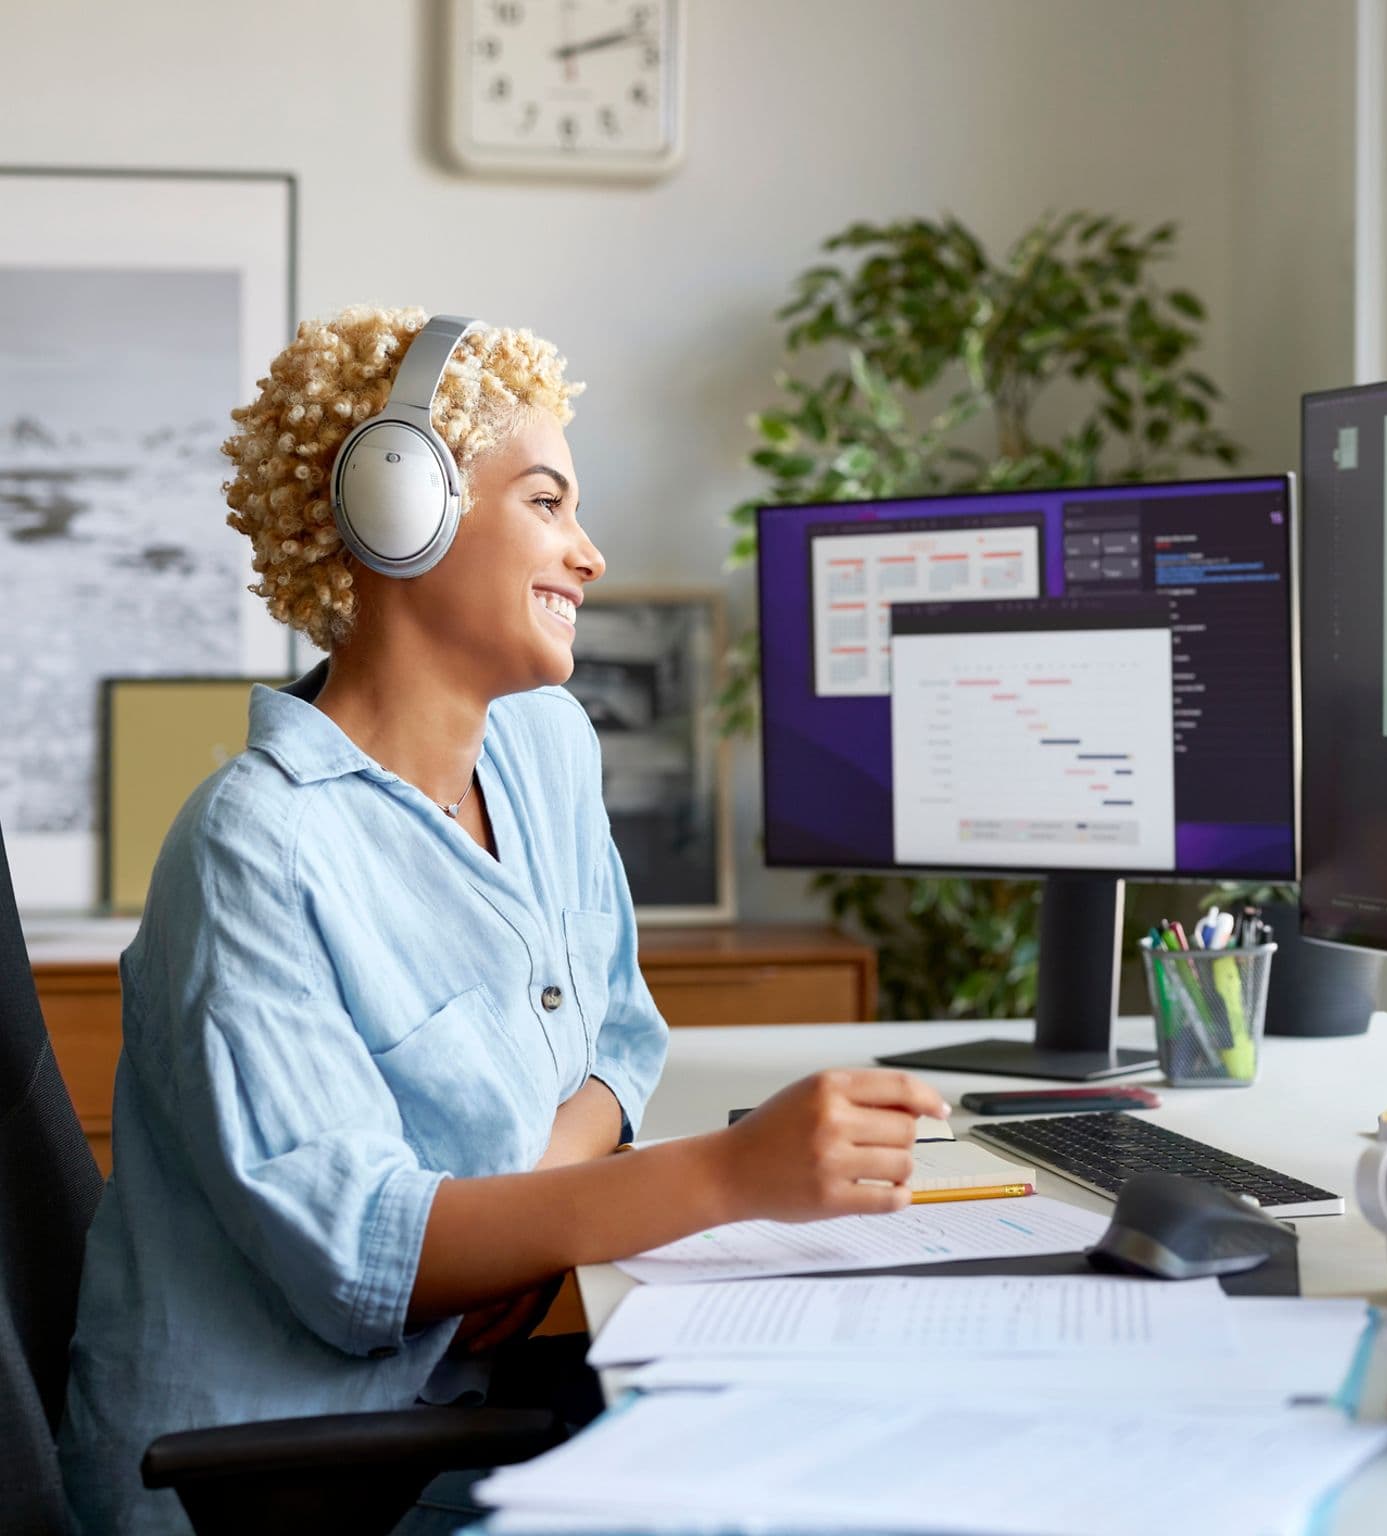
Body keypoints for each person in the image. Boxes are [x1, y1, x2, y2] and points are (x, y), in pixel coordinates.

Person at [58, 308, 950, 1535]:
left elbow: (621, 1039)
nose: (588, 555)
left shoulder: (543, 747)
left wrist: (510, 1227)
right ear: (397, 508)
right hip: (281, 1479)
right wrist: (731, 1176)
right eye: (547, 503)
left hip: (457, 1400)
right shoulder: (254, 846)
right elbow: (360, 1258)